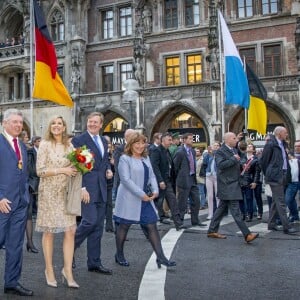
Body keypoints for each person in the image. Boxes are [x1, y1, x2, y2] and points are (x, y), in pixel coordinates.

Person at [113, 132, 176, 268]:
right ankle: (119, 254)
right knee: (124, 226)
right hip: (129, 198)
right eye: (137, 143)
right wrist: (141, 194)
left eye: (143, 143)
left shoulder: (145, 158)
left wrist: (155, 190)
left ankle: (161, 257)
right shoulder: (125, 159)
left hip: (145, 199)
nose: (140, 146)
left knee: (151, 225)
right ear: (131, 144)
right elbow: (125, 180)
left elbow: (152, 175)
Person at [36, 115, 80, 288]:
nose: (56, 126)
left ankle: (67, 271)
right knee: (49, 232)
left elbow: (76, 167)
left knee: (70, 231)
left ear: (64, 127)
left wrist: (81, 166)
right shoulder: (45, 145)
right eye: (53, 123)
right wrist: (62, 170)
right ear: (50, 127)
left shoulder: (70, 145)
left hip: (66, 194)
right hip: (49, 194)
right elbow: (40, 171)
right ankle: (49, 269)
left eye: (59, 123)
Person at [72, 112, 113, 274]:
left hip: (102, 189)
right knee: (89, 222)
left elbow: (104, 163)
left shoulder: (104, 140)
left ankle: (94, 263)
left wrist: (109, 170)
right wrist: (82, 188)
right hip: (87, 190)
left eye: (96, 122)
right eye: (90, 122)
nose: (92, 124)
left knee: (97, 227)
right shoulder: (79, 140)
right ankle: (69, 250)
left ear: (101, 124)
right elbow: (77, 166)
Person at [0, 109, 33, 296]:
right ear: (4, 123)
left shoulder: (21, 144)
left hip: (20, 204)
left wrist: (26, 195)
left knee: (15, 245)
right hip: (3, 204)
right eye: (14, 122)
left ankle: (11, 282)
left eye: (20, 122)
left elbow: (23, 173)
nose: (18, 125)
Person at [207, 132, 259, 243]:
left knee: (221, 209)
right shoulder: (220, 151)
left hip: (234, 183)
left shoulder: (234, 150)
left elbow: (242, 158)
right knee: (235, 211)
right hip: (228, 184)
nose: (236, 140)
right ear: (227, 140)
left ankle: (212, 230)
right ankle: (247, 234)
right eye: (234, 138)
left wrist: (242, 164)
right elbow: (220, 165)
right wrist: (234, 160)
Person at [260, 126, 297, 234]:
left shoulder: (283, 144)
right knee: (281, 201)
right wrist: (270, 173)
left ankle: (271, 224)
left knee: (276, 201)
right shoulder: (270, 144)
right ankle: (287, 226)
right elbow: (264, 161)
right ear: (279, 133)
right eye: (285, 133)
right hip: (275, 176)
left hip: (283, 174)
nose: (287, 135)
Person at [150, 132, 184, 230]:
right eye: (169, 140)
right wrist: (160, 181)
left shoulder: (167, 151)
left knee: (172, 201)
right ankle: (152, 224)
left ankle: (178, 223)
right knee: (157, 203)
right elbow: (154, 167)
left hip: (168, 181)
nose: (171, 142)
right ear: (163, 140)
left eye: (171, 140)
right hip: (160, 182)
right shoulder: (156, 151)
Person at [173, 133, 206, 227]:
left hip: (192, 179)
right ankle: (180, 222)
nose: (192, 140)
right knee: (182, 202)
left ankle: (195, 220)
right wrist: (179, 178)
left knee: (196, 201)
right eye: (190, 139)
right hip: (183, 180)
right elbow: (175, 167)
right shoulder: (179, 151)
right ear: (184, 140)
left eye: (192, 138)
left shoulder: (192, 151)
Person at [26, 135, 41, 253]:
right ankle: (29, 242)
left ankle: (30, 243)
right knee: (28, 214)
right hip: (30, 186)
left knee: (29, 214)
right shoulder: (30, 152)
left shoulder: (40, 152)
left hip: (36, 186)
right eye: (38, 141)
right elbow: (31, 170)